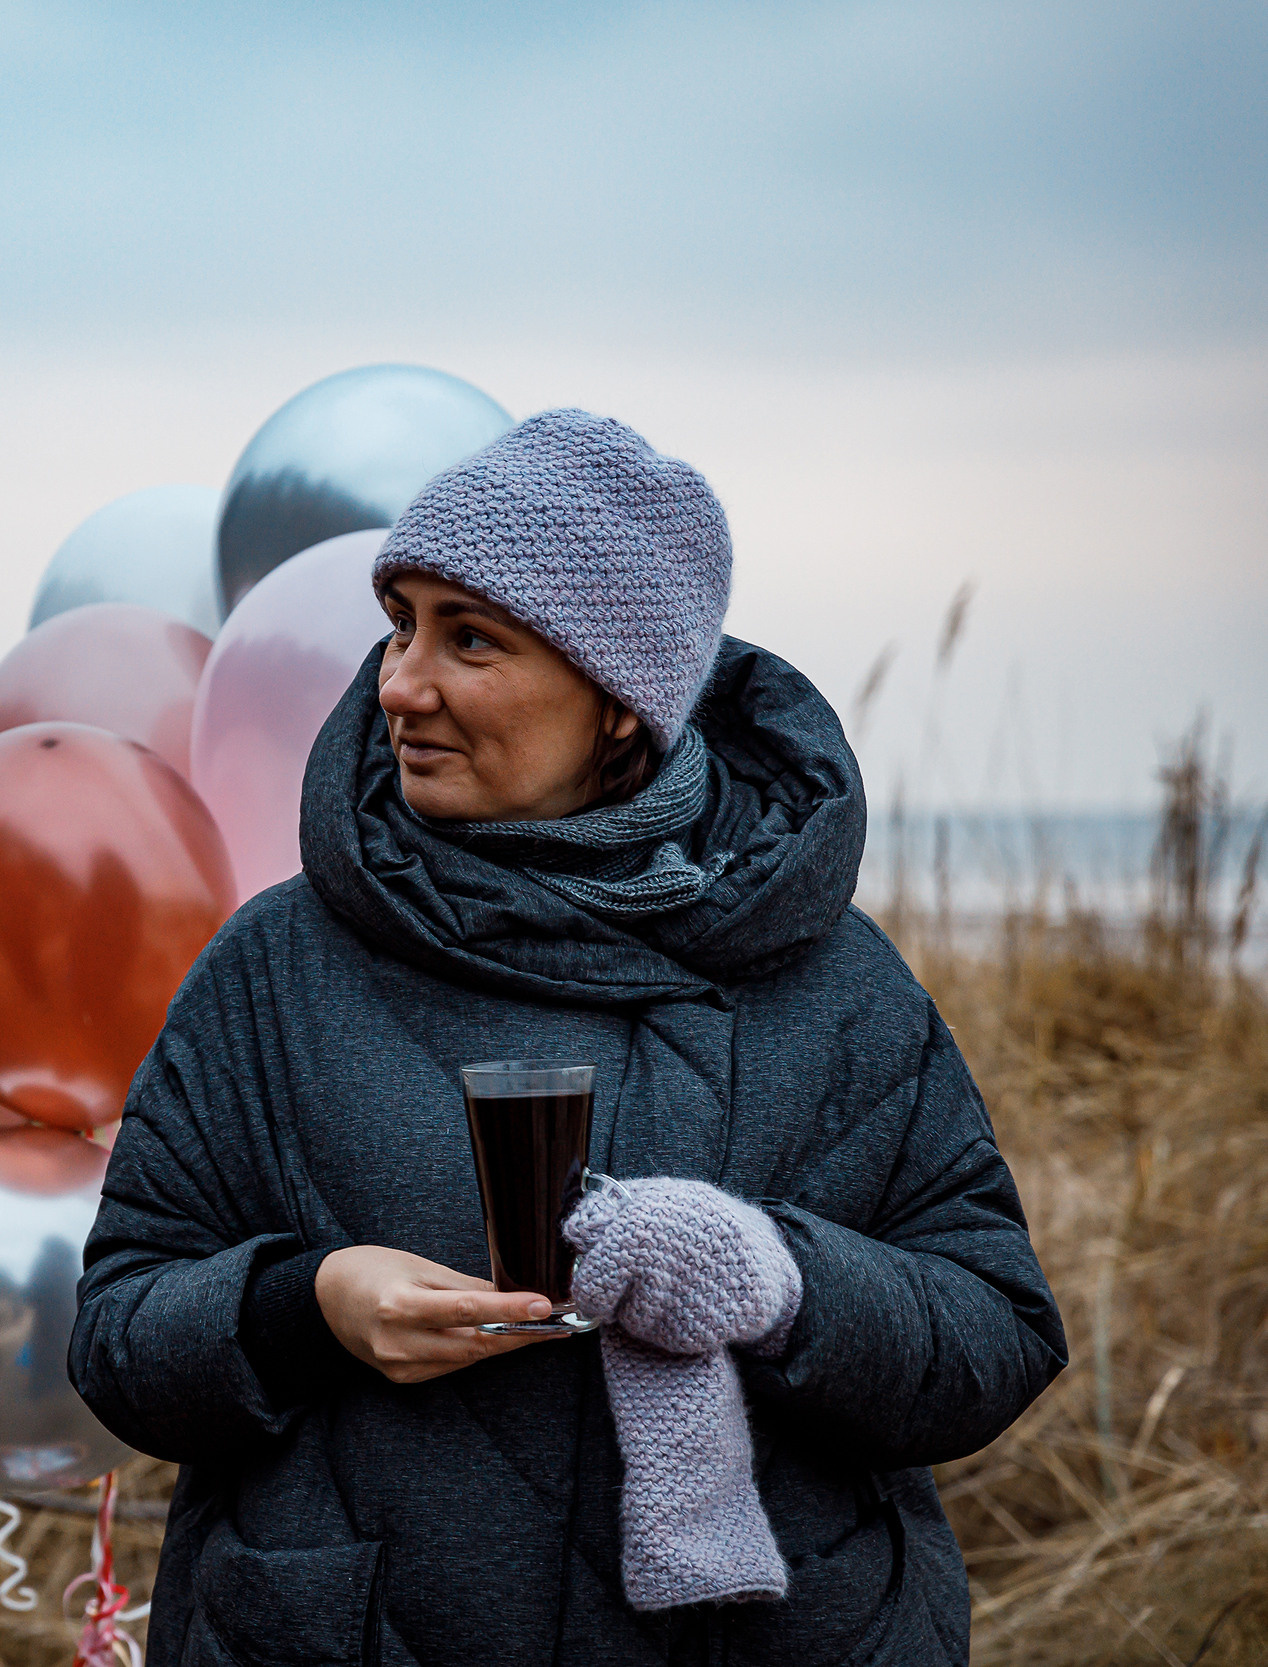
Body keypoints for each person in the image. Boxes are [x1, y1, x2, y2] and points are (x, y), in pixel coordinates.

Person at [71, 410, 1065, 1666]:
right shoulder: (273, 968)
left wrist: (776, 1278)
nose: (397, 682)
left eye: (468, 638)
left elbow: (995, 1336)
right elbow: (115, 1336)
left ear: (616, 702)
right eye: (400, 624)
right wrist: (300, 1306)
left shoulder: (832, 977)